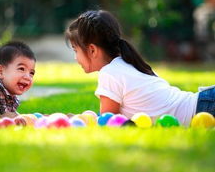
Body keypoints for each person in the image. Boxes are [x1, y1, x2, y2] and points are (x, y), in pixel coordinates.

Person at [65, 10, 215, 126]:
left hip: (203, 108)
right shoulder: (129, 62)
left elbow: (107, 121)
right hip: (205, 102)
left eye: (75, 50)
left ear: (92, 50)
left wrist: (79, 120)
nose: (75, 58)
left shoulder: (109, 73)